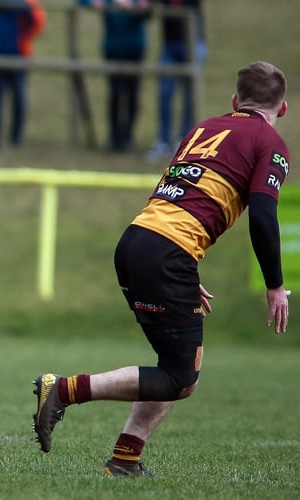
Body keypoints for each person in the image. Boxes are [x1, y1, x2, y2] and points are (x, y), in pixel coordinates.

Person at [32, 61, 291, 476]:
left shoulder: (204, 128)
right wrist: (275, 285)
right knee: (178, 377)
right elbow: (262, 215)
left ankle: (125, 460)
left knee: (177, 366)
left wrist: (183, 267)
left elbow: (178, 195)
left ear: (234, 101)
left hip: (139, 240)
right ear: (282, 109)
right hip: (166, 254)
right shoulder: (270, 142)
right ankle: (63, 390)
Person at [0, 0, 46, 150]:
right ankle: (14, 138)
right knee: (15, 96)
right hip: (16, 53)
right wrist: (22, 39)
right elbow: (37, 21)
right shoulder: (25, 3)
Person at [80, 0, 151, 152]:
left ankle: (128, 137)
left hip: (134, 47)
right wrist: (93, 3)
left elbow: (148, 11)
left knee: (132, 93)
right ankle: (114, 138)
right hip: (113, 47)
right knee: (115, 93)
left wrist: (132, 7)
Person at [146, 0, 207, 163]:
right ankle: (164, 140)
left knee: (189, 95)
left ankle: (185, 140)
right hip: (170, 45)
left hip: (193, 42)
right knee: (165, 92)